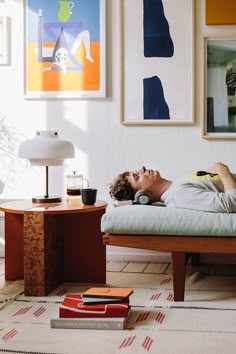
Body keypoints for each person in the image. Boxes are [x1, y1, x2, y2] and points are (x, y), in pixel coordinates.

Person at [109, 162, 236, 213]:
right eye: (137, 176)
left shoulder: (176, 186)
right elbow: (231, 203)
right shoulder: (178, 194)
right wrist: (223, 171)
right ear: (141, 195)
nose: (142, 168)